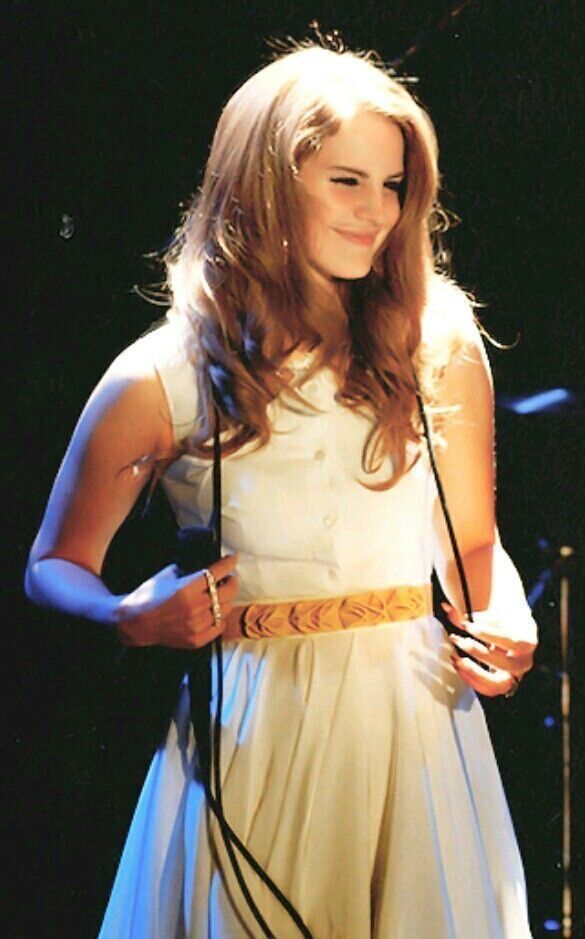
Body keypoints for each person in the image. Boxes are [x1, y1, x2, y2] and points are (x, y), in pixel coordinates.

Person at [26, 42, 538, 938]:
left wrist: (506, 616)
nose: (375, 211)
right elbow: (55, 563)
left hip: (415, 720)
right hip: (255, 731)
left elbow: (471, 541)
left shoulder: (438, 339)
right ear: (266, 181)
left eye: (391, 186)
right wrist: (128, 614)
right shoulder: (164, 374)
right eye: (347, 180)